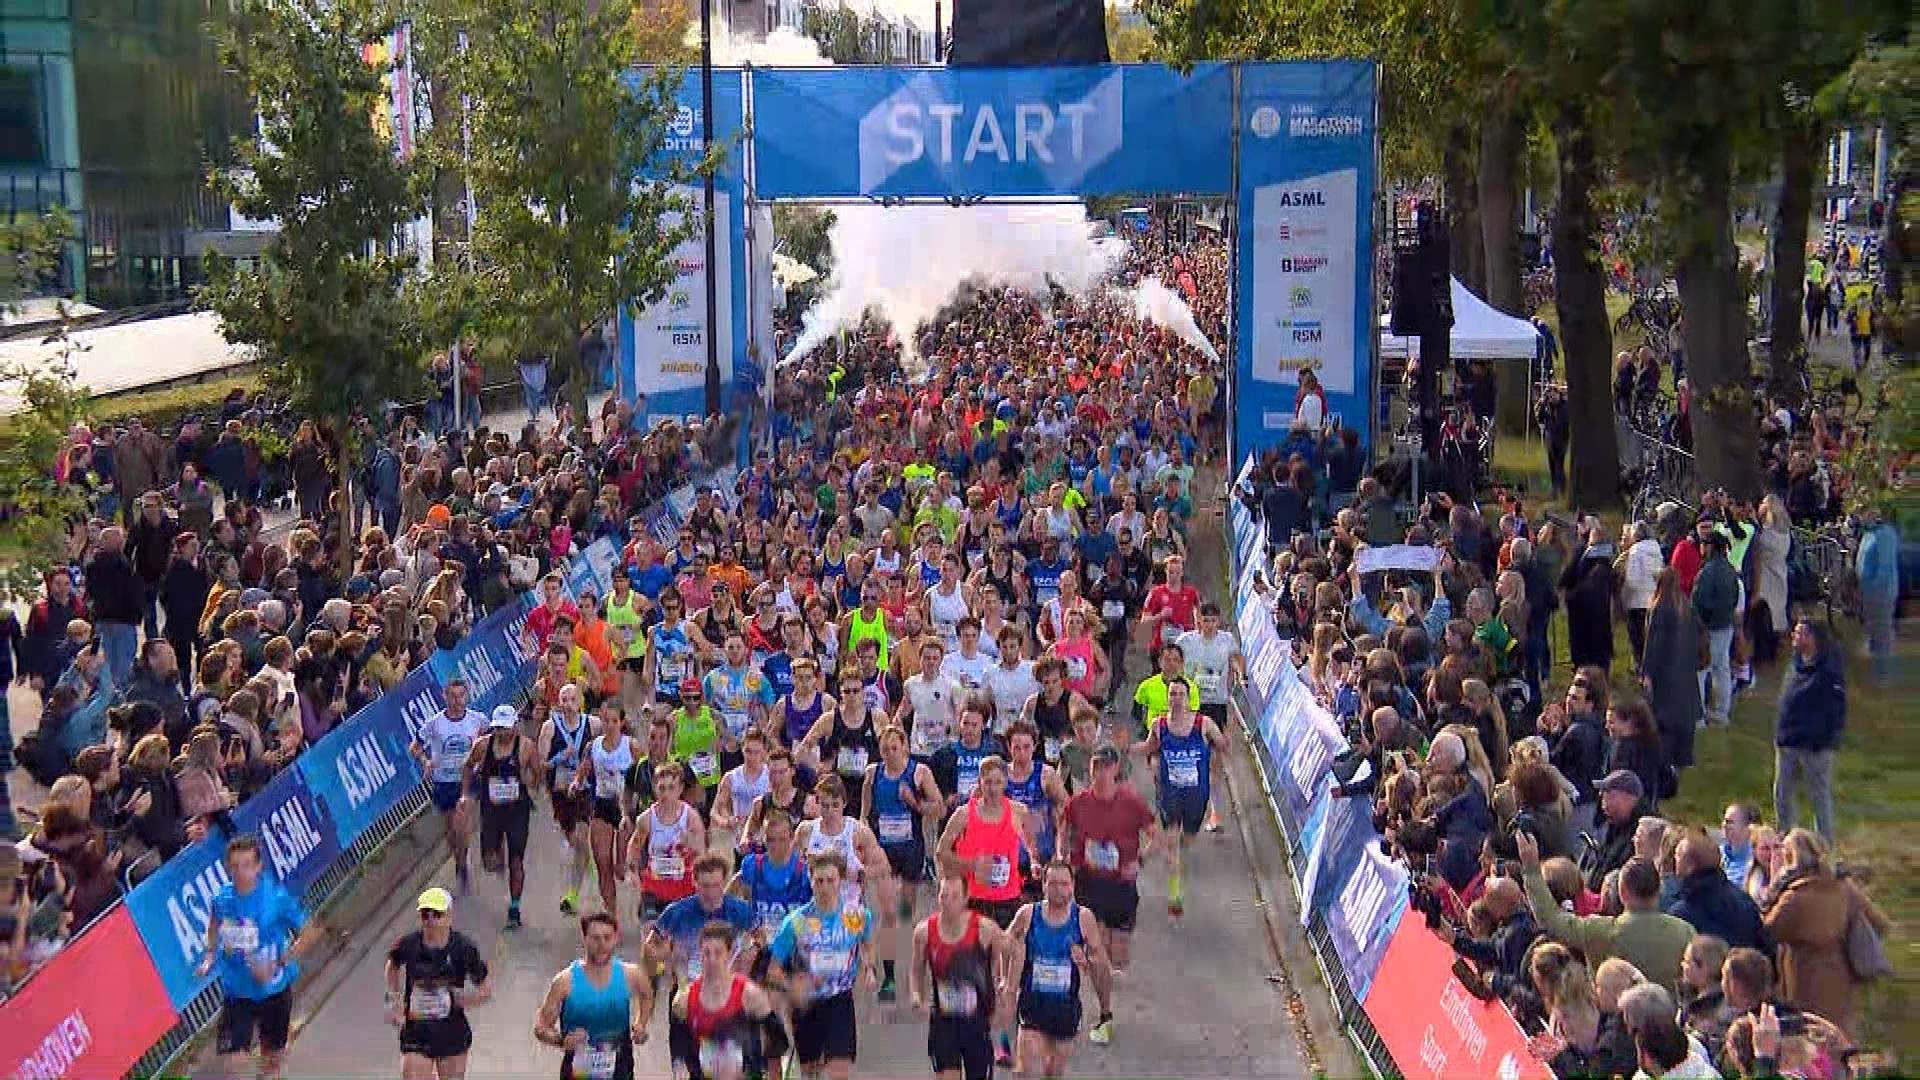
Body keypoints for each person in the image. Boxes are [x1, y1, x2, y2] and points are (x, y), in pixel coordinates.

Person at [198, 835, 322, 1080]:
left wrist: (281, 961)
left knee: (272, 1061)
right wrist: (210, 953)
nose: (240, 873)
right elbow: (213, 924)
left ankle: (278, 1049)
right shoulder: (222, 900)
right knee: (236, 1064)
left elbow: (311, 931)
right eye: (234, 867)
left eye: (246, 865)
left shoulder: (275, 898)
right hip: (238, 992)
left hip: (273, 990)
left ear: (258, 867)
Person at [1518, 835, 1695, 996]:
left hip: (1610, 1022)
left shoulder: (1599, 931)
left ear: (1622, 891)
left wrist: (1531, 869)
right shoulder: (1685, 932)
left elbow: (1550, 919)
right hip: (1667, 1022)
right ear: (1658, 890)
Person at [1059, 743, 1150, 1044]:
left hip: (1121, 886)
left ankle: (1106, 968)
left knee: (1117, 956)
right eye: (1094, 767)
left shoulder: (1131, 802)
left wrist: (1141, 860)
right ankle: (1105, 1013)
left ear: (1115, 770)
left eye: (1105, 768)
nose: (1099, 773)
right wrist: (1063, 860)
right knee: (1097, 949)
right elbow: (1064, 827)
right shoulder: (1079, 802)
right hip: (1089, 884)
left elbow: (1155, 833)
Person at [1761, 828, 1890, 1039]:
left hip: (1802, 980)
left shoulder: (1793, 897)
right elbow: (1880, 922)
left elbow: (1768, 929)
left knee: (1811, 1044)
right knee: (1840, 1040)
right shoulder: (1844, 887)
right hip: (1841, 977)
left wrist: (1774, 883)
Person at [766, 852, 879, 1080]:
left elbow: (867, 943)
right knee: (810, 1072)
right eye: (819, 881)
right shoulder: (796, 922)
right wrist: (791, 986)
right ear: (810, 879)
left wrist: (869, 968)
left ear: (840, 881)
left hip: (840, 1000)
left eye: (831, 880)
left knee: (839, 1070)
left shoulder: (855, 915)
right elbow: (773, 970)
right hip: (807, 1004)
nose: (825, 887)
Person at [1128, 684, 1227, 916]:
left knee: (1188, 839)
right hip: (1169, 794)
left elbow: (1222, 745)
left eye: (1181, 694)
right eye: (1172, 694)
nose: (1176, 698)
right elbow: (1149, 747)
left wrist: (1222, 743)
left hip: (1196, 796)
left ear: (1189, 698)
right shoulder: (1159, 725)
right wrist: (1128, 749)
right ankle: (1175, 896)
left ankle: (1172, 853)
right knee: (1172, 844)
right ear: (1168, 697)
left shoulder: (1204, 724)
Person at [1006, 861, 1110, 1077]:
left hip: (1064, 1008)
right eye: (1052, 884)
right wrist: (1005, 980)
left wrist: (1085, 962)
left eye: (1064, 884)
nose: (1058, 890)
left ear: (1072, 886)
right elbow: (1004, 944)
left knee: (1053, 1071)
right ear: (1043, 885)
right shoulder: (1028, 914)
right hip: (1032, 1003)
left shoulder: (1083, 918)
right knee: (1025, 1070)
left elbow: (1099, 963)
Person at [911, 870, 1015, 1080]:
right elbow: (916, 970)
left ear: (966, 898)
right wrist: (916, 996)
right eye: (943, 896)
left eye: (954, 896)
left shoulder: (984, 929)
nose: (947, 902)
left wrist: (1007, 987)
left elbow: (1014, 951)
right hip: (943, 1021)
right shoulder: (924, 932)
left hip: (977, 1023)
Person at [386, 887, 493, 1080]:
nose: (431, 920)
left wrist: (468, 1000)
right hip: (416, 1031)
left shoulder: (463, 948)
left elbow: (485, 987)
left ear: (449, 917)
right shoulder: (408, 944)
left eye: (437, 914)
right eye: (425, 915)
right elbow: (391, 967)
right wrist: (394, 1002)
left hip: (451, 1031)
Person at [535, 912, 655, 1080]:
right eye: (595, 938)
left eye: (607, 938)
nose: (602, 945)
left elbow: (647, 995)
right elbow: (541, 1028)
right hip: (578, 1073)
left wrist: (640, 1024)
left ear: (616, 939)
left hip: (620, 1068)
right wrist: (562, 1040)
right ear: (585, 938)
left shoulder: (631, 974)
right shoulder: (565, 981)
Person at [667, 922, 784, 1080]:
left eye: (718, 953)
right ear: (700, 955)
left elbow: (777, 1040)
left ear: (729, 954)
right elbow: (678, 1048)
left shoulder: (750, 994)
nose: (712, 959)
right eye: (706, 953)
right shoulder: (684, 999)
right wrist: (680, 1068)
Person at [465, 704, 541, 928]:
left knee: (516, 861)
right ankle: (499, 858)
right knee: (490, 861)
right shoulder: (483, 746)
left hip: (517, 809)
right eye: (498, 729)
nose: (503, 733)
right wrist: (465, 794)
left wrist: (531, 787)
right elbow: (467, 767)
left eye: (506, 728)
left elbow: (537, 773)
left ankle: (515, 908)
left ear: (515, 727)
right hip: (491, 809)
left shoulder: (526, 747)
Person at [1175, 602, 1244, 833]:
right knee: (1191, 760)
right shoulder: (1186, 641)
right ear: (1198, 621)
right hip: (1192, 706)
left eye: (1213, 621)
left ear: (1219, 621)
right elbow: (1173, 661)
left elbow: (1236, 658)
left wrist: (1241, 673)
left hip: (1216, 706)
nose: (1209, 626)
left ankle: (1215, 814)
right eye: (1205, 621)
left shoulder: (1226, 640)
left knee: (1214, 764)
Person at [1774, 620, 1844, 844]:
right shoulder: (1794, 665)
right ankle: (1786, 841)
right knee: (1783, 795)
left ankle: (1824, 846)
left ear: (1815, 639)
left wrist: (1823, 739)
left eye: (1802, 633)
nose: (1795, 636)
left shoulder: (1828, 671)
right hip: (1788, 741)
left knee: (1819, 797)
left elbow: (1836, 711)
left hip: (1815, 747)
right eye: (1795, 632)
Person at [414, 677, 483, 890]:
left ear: (467, 695)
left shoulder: (477, 719)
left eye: (461, 695)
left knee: (460, 825)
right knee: (451, 832)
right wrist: (426, 761)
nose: (457, 701)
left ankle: (463, 861)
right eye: (452, 696)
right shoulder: (435, 723)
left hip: (467, 780)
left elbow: (492, 736)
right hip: (443, 782)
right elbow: (415, 746)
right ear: (445, 697)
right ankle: (459, 860)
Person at [541, 684, 596, 917]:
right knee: (574, 839)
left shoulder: (593, 724)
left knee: (581, 839)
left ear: (580, 701)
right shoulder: (550, 727)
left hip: (586, 790)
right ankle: (583, 860)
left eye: (573, 699)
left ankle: (572, 895)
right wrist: (558, 758)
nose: (568, 704)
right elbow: (540, 763)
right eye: (564, 700)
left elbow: (604, 750)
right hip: (561, 791)